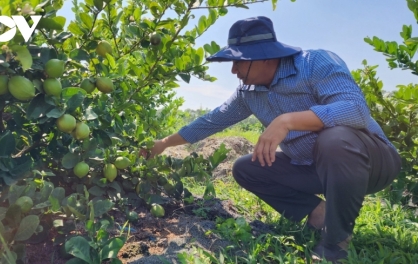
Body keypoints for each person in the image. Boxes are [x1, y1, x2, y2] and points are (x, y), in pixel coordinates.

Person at [142, 16, 401, 262]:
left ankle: (335, 243)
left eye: (239, 62)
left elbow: (354, 110)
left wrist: (287, 121)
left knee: (334, 138)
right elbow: (212, 120)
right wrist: (164, 143)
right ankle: (318, 213)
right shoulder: (249, 92)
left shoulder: (315, 63)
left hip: (371, 163)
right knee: (246, 168)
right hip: (313, 168)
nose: (233, 70)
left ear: (263, 57)